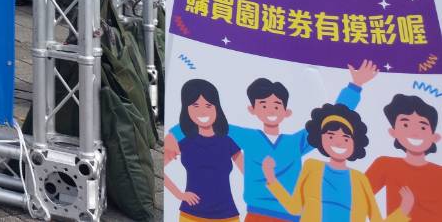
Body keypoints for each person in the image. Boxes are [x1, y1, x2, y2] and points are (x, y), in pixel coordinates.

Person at [167, 65, 374, 222]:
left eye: (276, 105)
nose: (271, 110)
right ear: (252, 109)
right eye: (263, 105)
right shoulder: (246, 137)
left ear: (286, 111)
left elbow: (332, 119)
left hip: (291, 215)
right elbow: (205, 120)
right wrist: (172, 137)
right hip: (256, 214)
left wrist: (354, 88)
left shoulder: (295, 142)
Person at [263, 103, 412, 222]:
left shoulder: (360, 179)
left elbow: (376, 220)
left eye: (346, 138)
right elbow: (294, 208)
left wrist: (403, 210)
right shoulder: (311, 166)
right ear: (321, 138)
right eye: (331, 136)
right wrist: (271, 178)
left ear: (354, 143)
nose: (339, 142)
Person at [166, 78, 244, 222]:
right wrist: (179, 194)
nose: (202, 111)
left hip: (227, 215)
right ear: (186, 109)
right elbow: (161, 169)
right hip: (191, 215)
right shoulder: (184, 142)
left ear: (216, 108)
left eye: (208, 105)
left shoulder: (227, 141)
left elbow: (249, 172)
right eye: (195, 105)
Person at [368, 95, 442, 222]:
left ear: (434, 137)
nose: (414, 133)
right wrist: (403, 210)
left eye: (423, 127)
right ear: (393, 132)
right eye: (406, 125)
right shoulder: (385, 165)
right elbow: (356, 199)